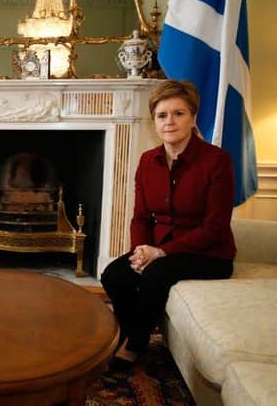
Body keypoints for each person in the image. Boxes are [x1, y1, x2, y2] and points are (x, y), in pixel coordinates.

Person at [101, 80, 236, 369]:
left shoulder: (217, 161)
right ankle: (128, 331)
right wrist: (139, 250)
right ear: (154, 121)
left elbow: (215, 228)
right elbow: (140, 217)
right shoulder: (148, 161)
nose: (170, 122)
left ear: (193, 117)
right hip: (159, 250)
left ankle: (135, 345)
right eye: (162, 115)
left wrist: (160, 253)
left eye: (179, 113)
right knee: (113, 275)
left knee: (156, 274)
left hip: (208, 255)